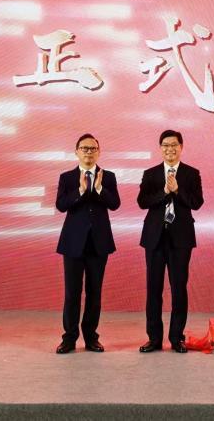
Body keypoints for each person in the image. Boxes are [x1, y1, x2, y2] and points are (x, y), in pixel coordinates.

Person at [137, 130, 204, 353]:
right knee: (153, 289)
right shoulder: (151, 174)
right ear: (160, 148)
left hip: (181, 239)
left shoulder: (192, 173)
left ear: (181, 147)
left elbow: (197, 203)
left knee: (179, 289)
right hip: (154, 238)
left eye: (174, 145)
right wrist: (165, 191)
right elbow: (142, 201)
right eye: (165, 145)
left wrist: (178, 190)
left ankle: (177, 338)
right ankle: (154, 339)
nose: (170, 149)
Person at [55, 133, 120, 354]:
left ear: (99, 152)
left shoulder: (108, 177)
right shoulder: (67, 178)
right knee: (72, 293)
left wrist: (100, 189)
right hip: (73, 243)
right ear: (76, 152)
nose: (89, 152)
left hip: (99, 243)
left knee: (94, 292)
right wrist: (81, 190)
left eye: (93, 149)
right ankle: (69, 338)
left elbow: (115, 204)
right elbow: (61, 205)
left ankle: (91, 337)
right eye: (84, 148)